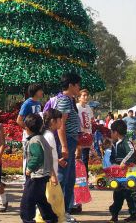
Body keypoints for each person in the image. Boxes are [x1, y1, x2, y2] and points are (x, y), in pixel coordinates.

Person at [19, 113, 57, 223]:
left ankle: (27, 220)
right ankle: (51, 218)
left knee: (27, 201)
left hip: (36, 176)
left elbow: (37, 156)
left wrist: (29, 168)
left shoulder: (34, 141)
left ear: (27, 128)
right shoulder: (41, 138)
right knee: (41, 199)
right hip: (44, 175)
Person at [54, 72, 82, 219]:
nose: (79, 88)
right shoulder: (64, 100)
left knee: (70, 179)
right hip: (66, 142)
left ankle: (64, 212)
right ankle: (57, 212)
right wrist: (64, 146)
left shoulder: (70, 100)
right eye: (77, 85)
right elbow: (61, 125)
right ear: (71, 85)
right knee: (62, 178)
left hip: (71, 141)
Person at [36, 108, 66, 223]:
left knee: (53, 201)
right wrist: (53, 175)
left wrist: (57, 160)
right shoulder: (49, 136)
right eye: (60, 120)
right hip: (49, 176)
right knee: (52, 201)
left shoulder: (48, 135)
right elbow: (46, 158)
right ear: (53, 121)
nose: (61, 122)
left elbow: (48, 155)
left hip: (49, 174)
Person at [108, 119, 136, 223]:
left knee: (131, 194)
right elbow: (112, 157)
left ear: (115, 132)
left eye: (111, 132)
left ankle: (134, 215)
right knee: (117, 194)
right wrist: (113, 163)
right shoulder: (114, 144)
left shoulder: (127, 141)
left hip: (130, 172)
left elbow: (132, 152)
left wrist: (124, 162)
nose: (110, 134)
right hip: (119, 174)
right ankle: (114, 214)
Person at [76, 89, 94, 172]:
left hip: (87, 135)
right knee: (78, 156)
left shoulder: (88, 107)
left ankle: (85, 177)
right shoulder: (76, 107)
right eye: (83, 95)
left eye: (87, 95)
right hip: (78, 134)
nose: (86, 97)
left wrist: (90, 133)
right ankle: (78, 176)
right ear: (79, 97)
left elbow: (91, 120)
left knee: (85, 158)